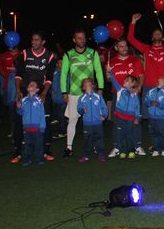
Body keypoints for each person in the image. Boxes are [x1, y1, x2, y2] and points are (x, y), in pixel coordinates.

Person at [127, 13, 164, 146]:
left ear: (162, 37)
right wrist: (133, 22)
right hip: (148, 87)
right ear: (152, 37)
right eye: (155, 34)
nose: (157, 35)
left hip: (162, 88)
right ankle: (155, 140)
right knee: (150, 116)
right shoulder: (146, 49)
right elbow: (130, 38)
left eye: (159, 34)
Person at [60, 30, 104, 158]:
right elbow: (64, 75)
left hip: (90, 93)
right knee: (72, 120)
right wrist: (64, 92)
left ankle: (95, 146)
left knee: (94, 122)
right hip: (74, 93)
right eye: (79, 38)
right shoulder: (68, 55)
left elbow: (99, 71)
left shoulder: (93, 53)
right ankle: (69, 148)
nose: (82, 40)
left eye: (83, 38)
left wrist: (100, 89)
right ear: (74, 40)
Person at [14, 32, 57, 161]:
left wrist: (44, 93)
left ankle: (45, 151)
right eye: (32, 40)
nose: (34, 42)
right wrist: (18, 91)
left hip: (42, 92)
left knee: (45, 122)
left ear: (43, 42)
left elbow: (50, 77)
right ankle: (18, 152)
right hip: (25, 91)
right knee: (19, 121)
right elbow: (19, 74)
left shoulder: (50, 56)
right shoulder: (25, 53)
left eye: (37, 40)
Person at [107, 38, 145, 156]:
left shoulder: (135, 60)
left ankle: (137, 146)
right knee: (117, 123)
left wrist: (138, 88)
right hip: (118, 97)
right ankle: (117, 147)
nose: (124, 48)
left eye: (125, 46)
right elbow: (109, 79)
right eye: (121, 46)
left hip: (133, 97)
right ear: (116, 48)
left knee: (135, 121)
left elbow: (141, 76)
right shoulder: (111, 62)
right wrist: (108, 73)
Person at [77, 78, 107, 163]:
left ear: (93, 86)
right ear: (83, 88)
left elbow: (104, 107)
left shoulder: (98, 96)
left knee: (99, 139)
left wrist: (104, 115)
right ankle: (86, 155)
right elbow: (78, 109)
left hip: (98, 122)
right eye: (86, 85)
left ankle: (100, 154)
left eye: (90, 84)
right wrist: (82, 110)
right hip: (87, 123)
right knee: (87, 139)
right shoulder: (82, 98)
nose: (88, 86)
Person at [17, 80, 46, 166]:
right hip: (26, 127)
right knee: (27, 145)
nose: (31, 84)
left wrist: (42, 127)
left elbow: (42, 114)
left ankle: (39, 159)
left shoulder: (39, 100)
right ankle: (27, 159)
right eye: (30, 84)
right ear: (27, 88)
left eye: (33, 84)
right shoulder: (24, 100)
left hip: (37, 127)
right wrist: (18, 108)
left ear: (37, 89)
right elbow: (20, 113)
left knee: (39, 144)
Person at [112, 73, 141, 158]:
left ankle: (131, 150)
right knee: (120, 135)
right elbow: (114, 81)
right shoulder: (120, 90)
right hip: (120, 117)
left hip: (130, 118)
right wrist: (110, 73)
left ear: (132, 84)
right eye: (125, 80)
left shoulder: (135, 94)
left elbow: (137, 106)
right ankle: (122, 150)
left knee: (130, 134)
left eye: (128, 80)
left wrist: (137, 117)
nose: (125, 81)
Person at [145, 76, 164, 156]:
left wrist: (159, 104)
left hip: (161, 117)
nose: (160, 79)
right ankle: (156, 149)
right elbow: (146, 101)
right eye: (159, 78)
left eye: (162, 79)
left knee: (162, 132)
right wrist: (150, 103)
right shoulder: (150, 91)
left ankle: (163, 148)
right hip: (152, 116)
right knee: (153, 132)